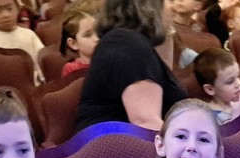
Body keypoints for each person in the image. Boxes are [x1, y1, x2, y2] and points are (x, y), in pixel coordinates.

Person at [76, 0, 188, 131]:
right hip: (114, 146)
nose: (172, 7)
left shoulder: (127, 41)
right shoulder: (128, 46)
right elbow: (145, 122)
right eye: (168, 1)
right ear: (149, 6)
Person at [0, 0, 44, 85]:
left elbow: (41, 62)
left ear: (18, 10)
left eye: (10, 9)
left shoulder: (28, 34)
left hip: (30, 83)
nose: (6, 15)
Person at [193, 48, 240, 124]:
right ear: (210, 89)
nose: (238, 83)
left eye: (238, 76)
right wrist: (237, 118)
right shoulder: (207, 118)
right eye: (230, 81)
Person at [58, 9, 98, 79]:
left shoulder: (109, 61)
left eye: (98, 32)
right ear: (73, 43)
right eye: (88, 35)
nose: (97, 39)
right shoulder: (71, 68)